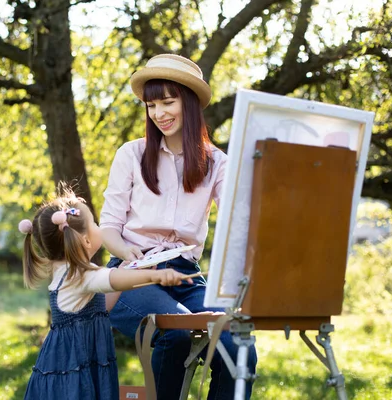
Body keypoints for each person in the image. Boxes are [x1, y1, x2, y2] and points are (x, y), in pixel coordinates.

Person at [100, 54, 257, 399]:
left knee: (237, 342)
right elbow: (108, 228)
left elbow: (239, 219)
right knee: (177, 332)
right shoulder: (131, 154)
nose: (159, 114)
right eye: (152, 105)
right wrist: (127, 251)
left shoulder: (216, 163)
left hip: (187, 277)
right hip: (133, 274)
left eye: (168, 102)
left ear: (188, 103)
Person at [19, 186, 193, 400]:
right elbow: (111, 279)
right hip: (75, 372)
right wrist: (156, 276)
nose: (97, 226)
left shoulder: (62, 271)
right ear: (86, 240)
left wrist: (126, 269)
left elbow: (101, 306)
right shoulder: (80, 275)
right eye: (94, 223)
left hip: (65, 365)